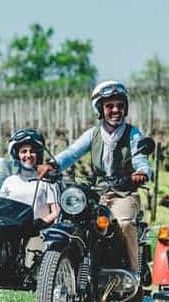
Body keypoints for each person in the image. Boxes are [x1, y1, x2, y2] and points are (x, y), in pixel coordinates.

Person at [37, 80, 151, 273]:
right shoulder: (93, 134)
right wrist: (52, 165)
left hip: (124, 193)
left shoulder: (133, 134)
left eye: (120, 106)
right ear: (100, 109)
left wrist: (141, 173)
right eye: (110, 106)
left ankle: (133, 274)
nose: (115, 110)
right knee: (75, 220)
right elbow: (72, 152)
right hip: (97, 192)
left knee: (124, 224)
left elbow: (141, 157)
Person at [0, 128, 60, 228]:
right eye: (23, 151)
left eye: (32, 151)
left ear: (38, 155)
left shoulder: (47, 181)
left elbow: (56, 211)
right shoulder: (9, 181)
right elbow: (0, 208)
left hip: (37, 233)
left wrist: (41, 223)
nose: (28, 155)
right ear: (17, 155)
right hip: (12, 231)